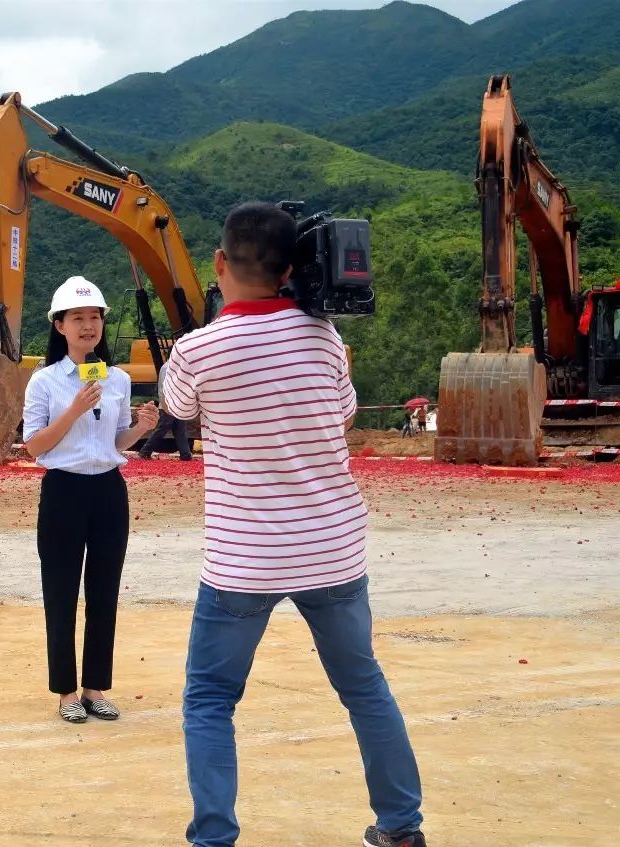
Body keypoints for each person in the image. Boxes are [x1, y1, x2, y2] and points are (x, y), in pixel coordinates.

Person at [163, 203, 425, 847]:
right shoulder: (327, 339)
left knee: (209, 700)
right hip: (332, 549)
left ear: (221, 263)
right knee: (364, 689)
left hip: (242, 561)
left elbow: (178, 408)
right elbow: (340, 416)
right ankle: (401, 826)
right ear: (289, 270)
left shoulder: (199, 350)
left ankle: (215, 837)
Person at [22, 275, 159, 723]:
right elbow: (35, 446)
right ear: (58, 325)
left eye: (95, 317)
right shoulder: (44, 381)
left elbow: (117, 442)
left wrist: (140, 428)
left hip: (108, 491)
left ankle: (94, 687)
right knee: (60, 592)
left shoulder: (116, 378)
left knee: (105, 592)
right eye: (77, 318)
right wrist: (75, 409)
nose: (88, 326)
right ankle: (64, 692)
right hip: (63, 489)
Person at [138, 359, 194, 460]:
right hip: (168, 404)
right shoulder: (167, 367)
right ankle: (145, 451)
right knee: (162, 429)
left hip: (177, 404)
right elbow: (163, 389)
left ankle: (186, 455)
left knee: (180, 429)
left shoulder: (176, 367)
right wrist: (165, 405)